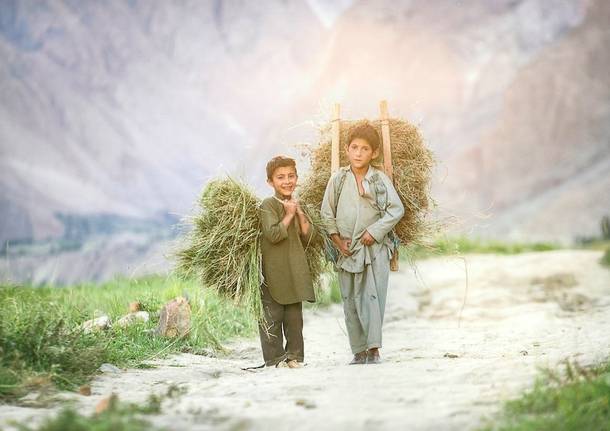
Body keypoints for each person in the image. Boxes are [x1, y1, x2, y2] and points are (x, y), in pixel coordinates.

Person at [321, 122, 404, 364]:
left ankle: (374, 349)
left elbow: (395, 209)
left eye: (365, 149)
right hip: (346, 250)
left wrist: (375, 231)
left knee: (373, 297)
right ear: (346, 149)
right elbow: (326, 213)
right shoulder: (338, 180)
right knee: (350, 299)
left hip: (374, 248)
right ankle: (358, 351)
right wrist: (337, 241)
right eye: (354, 147)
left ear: (374, 153)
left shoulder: (379, 180)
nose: (358, 153)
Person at [258, 155, 316, 368]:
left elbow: (309, 237)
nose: (287, 181)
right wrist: (289, 214)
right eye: (280, 177)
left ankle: (294, 356)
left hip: (295, 268)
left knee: (294, 317)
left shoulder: (296, 205)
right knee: (272, 315)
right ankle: (275, 359)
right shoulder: (268, 205)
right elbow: (273, 234)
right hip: (273, 269)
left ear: (297, 178)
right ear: (270, 182)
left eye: (291, 176)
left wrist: (299, 212)